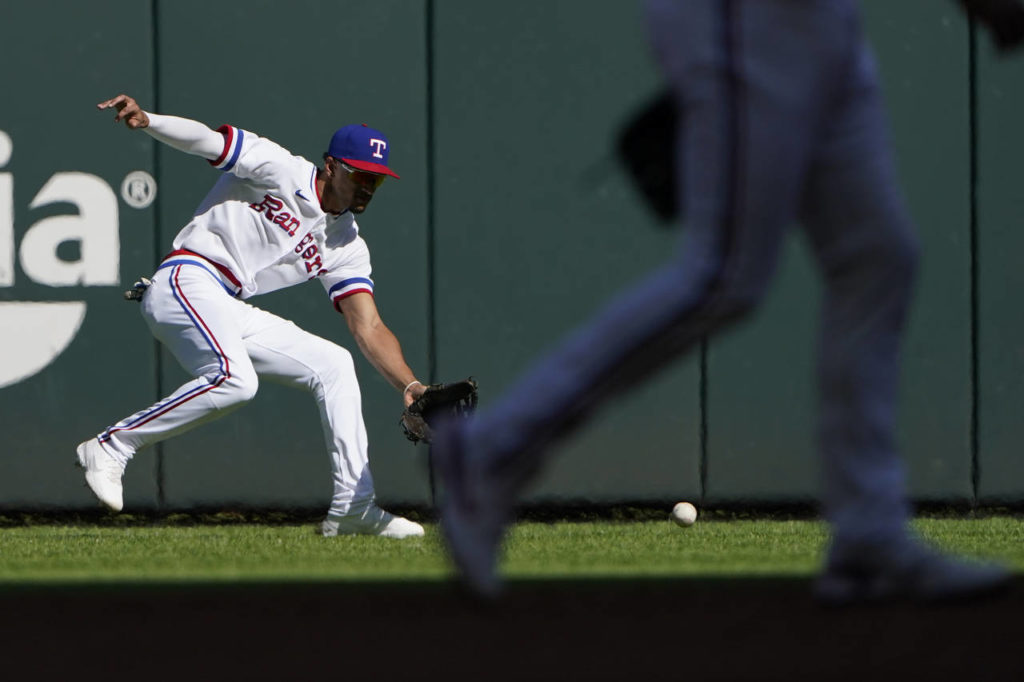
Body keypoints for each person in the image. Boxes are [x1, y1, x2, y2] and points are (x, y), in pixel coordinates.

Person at [433, 0, 1023, 601]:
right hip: (748, 18)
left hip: (827, 25)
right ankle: (490, 453)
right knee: (723, 275)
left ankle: (869, 532)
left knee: (879, 259)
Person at [76, 94, 427, 539]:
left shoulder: (346, 244)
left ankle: (353, 506)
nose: (367, 187)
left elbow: (368, 325)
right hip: (187, 277)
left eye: (376, 180)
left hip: (225, 302)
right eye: (360, 175)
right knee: (236, 380)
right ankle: (112, 445)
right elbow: (208, 141)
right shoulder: (282, 169)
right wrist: (149, 121)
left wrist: (411, 386)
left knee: (334, 365)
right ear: (331, 166)